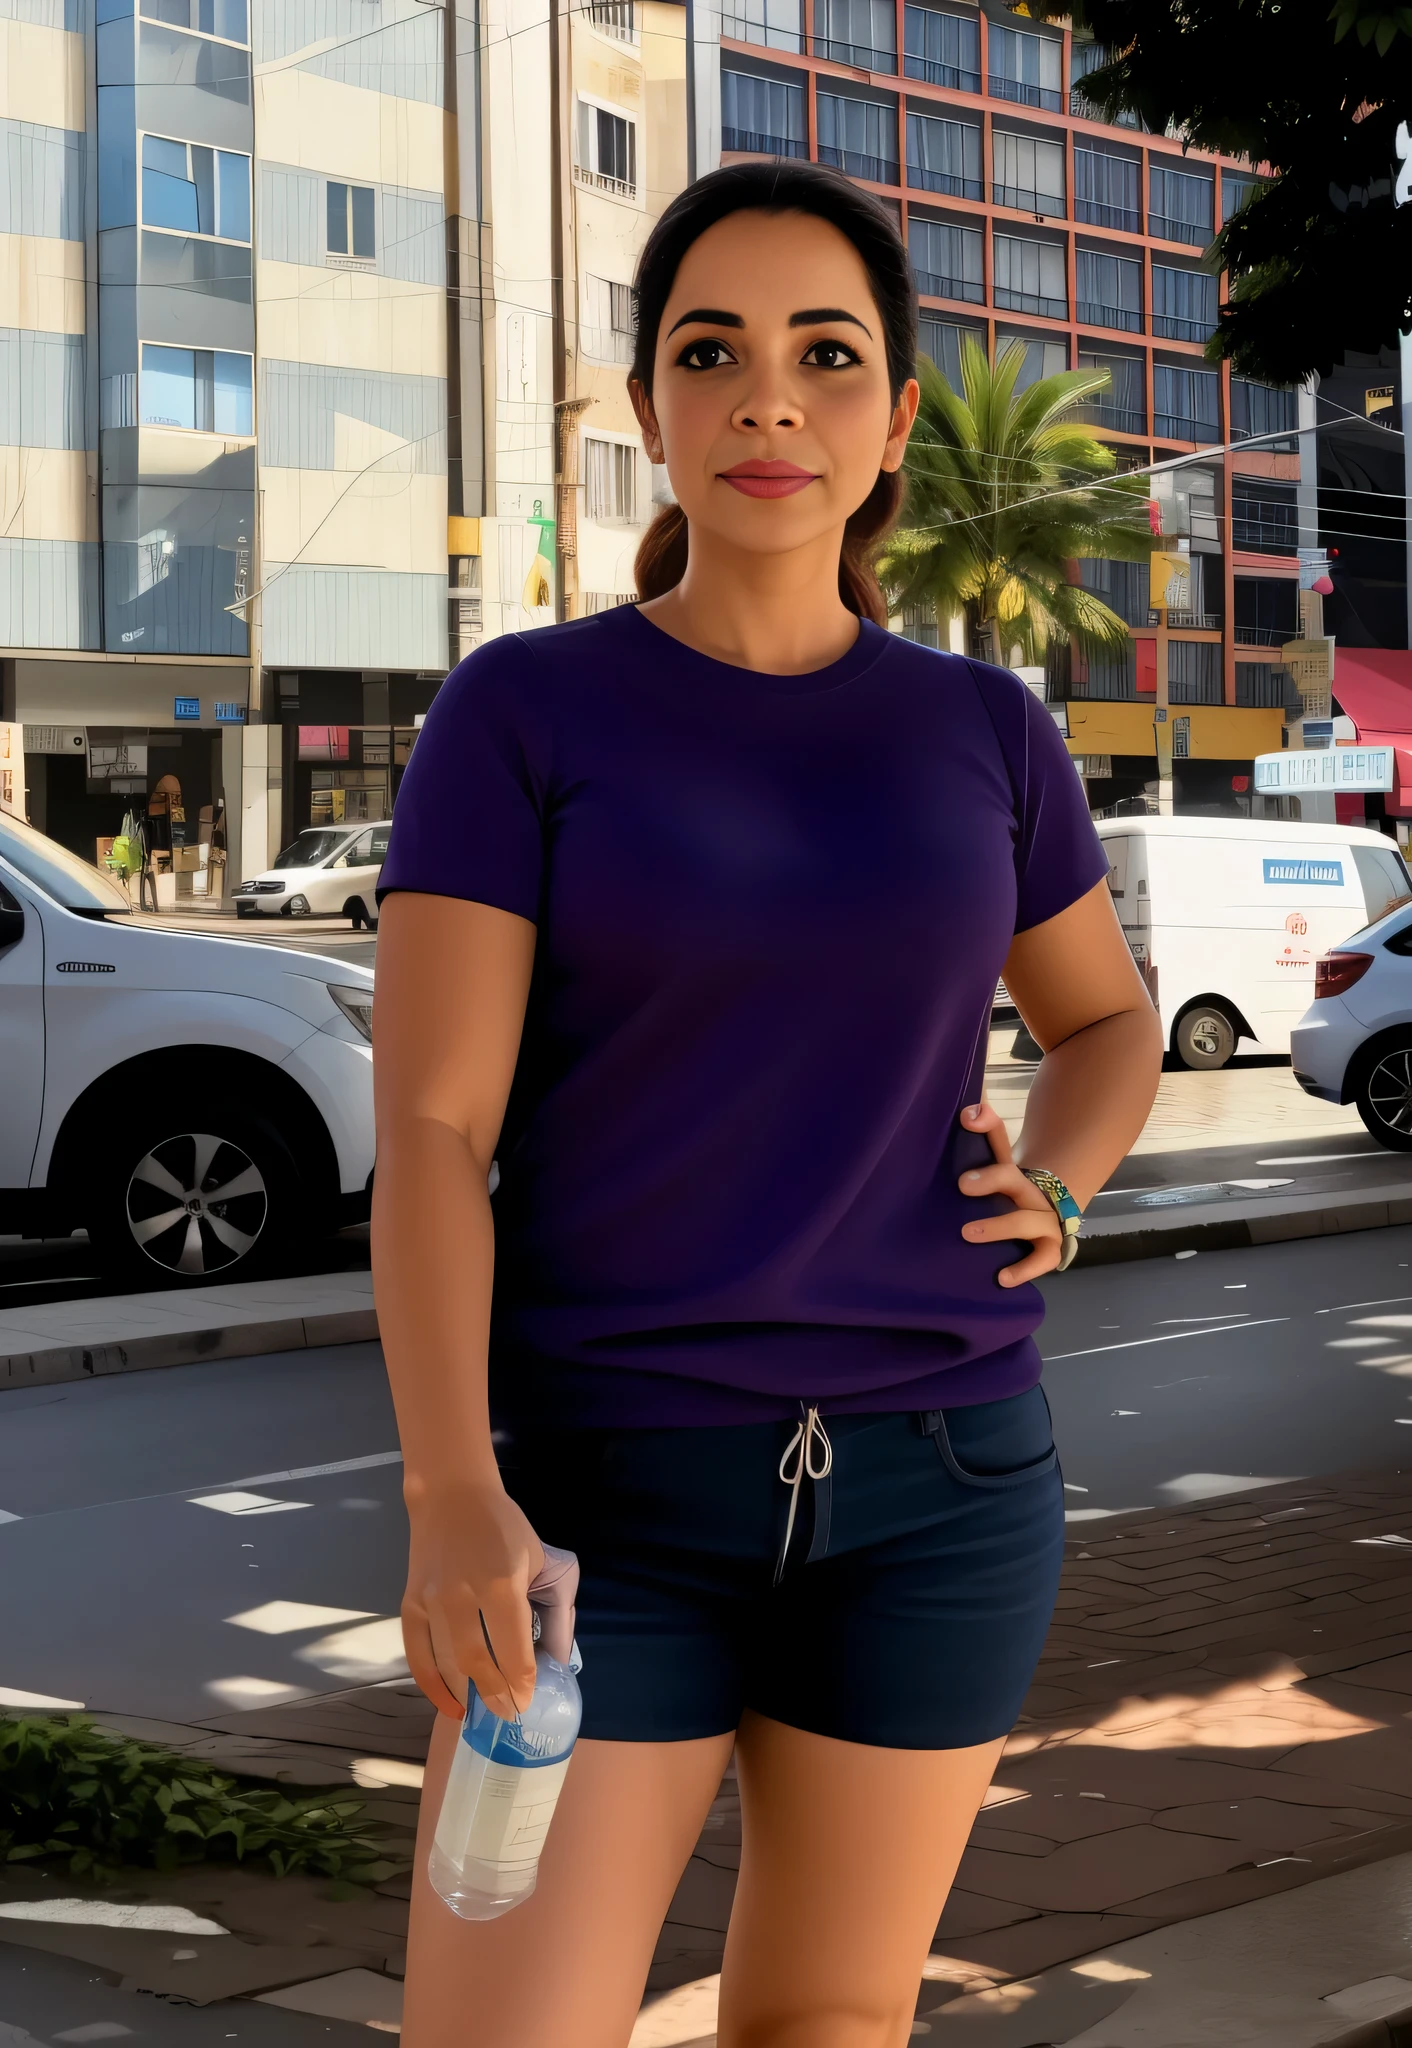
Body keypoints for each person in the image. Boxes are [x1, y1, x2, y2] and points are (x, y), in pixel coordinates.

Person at [372, 160, 1162, 2048]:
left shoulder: (987, 732)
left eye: (828, 354)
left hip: (948, 1489)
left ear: (895, 420)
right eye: (711, 351)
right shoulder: (523, 714)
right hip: (594, 1513)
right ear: (649, 405)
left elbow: (1109, 1025)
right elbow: (431, 1136)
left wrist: (1062, 1186)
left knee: (827, 2023)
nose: (768, 398)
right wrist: (450, 1491)